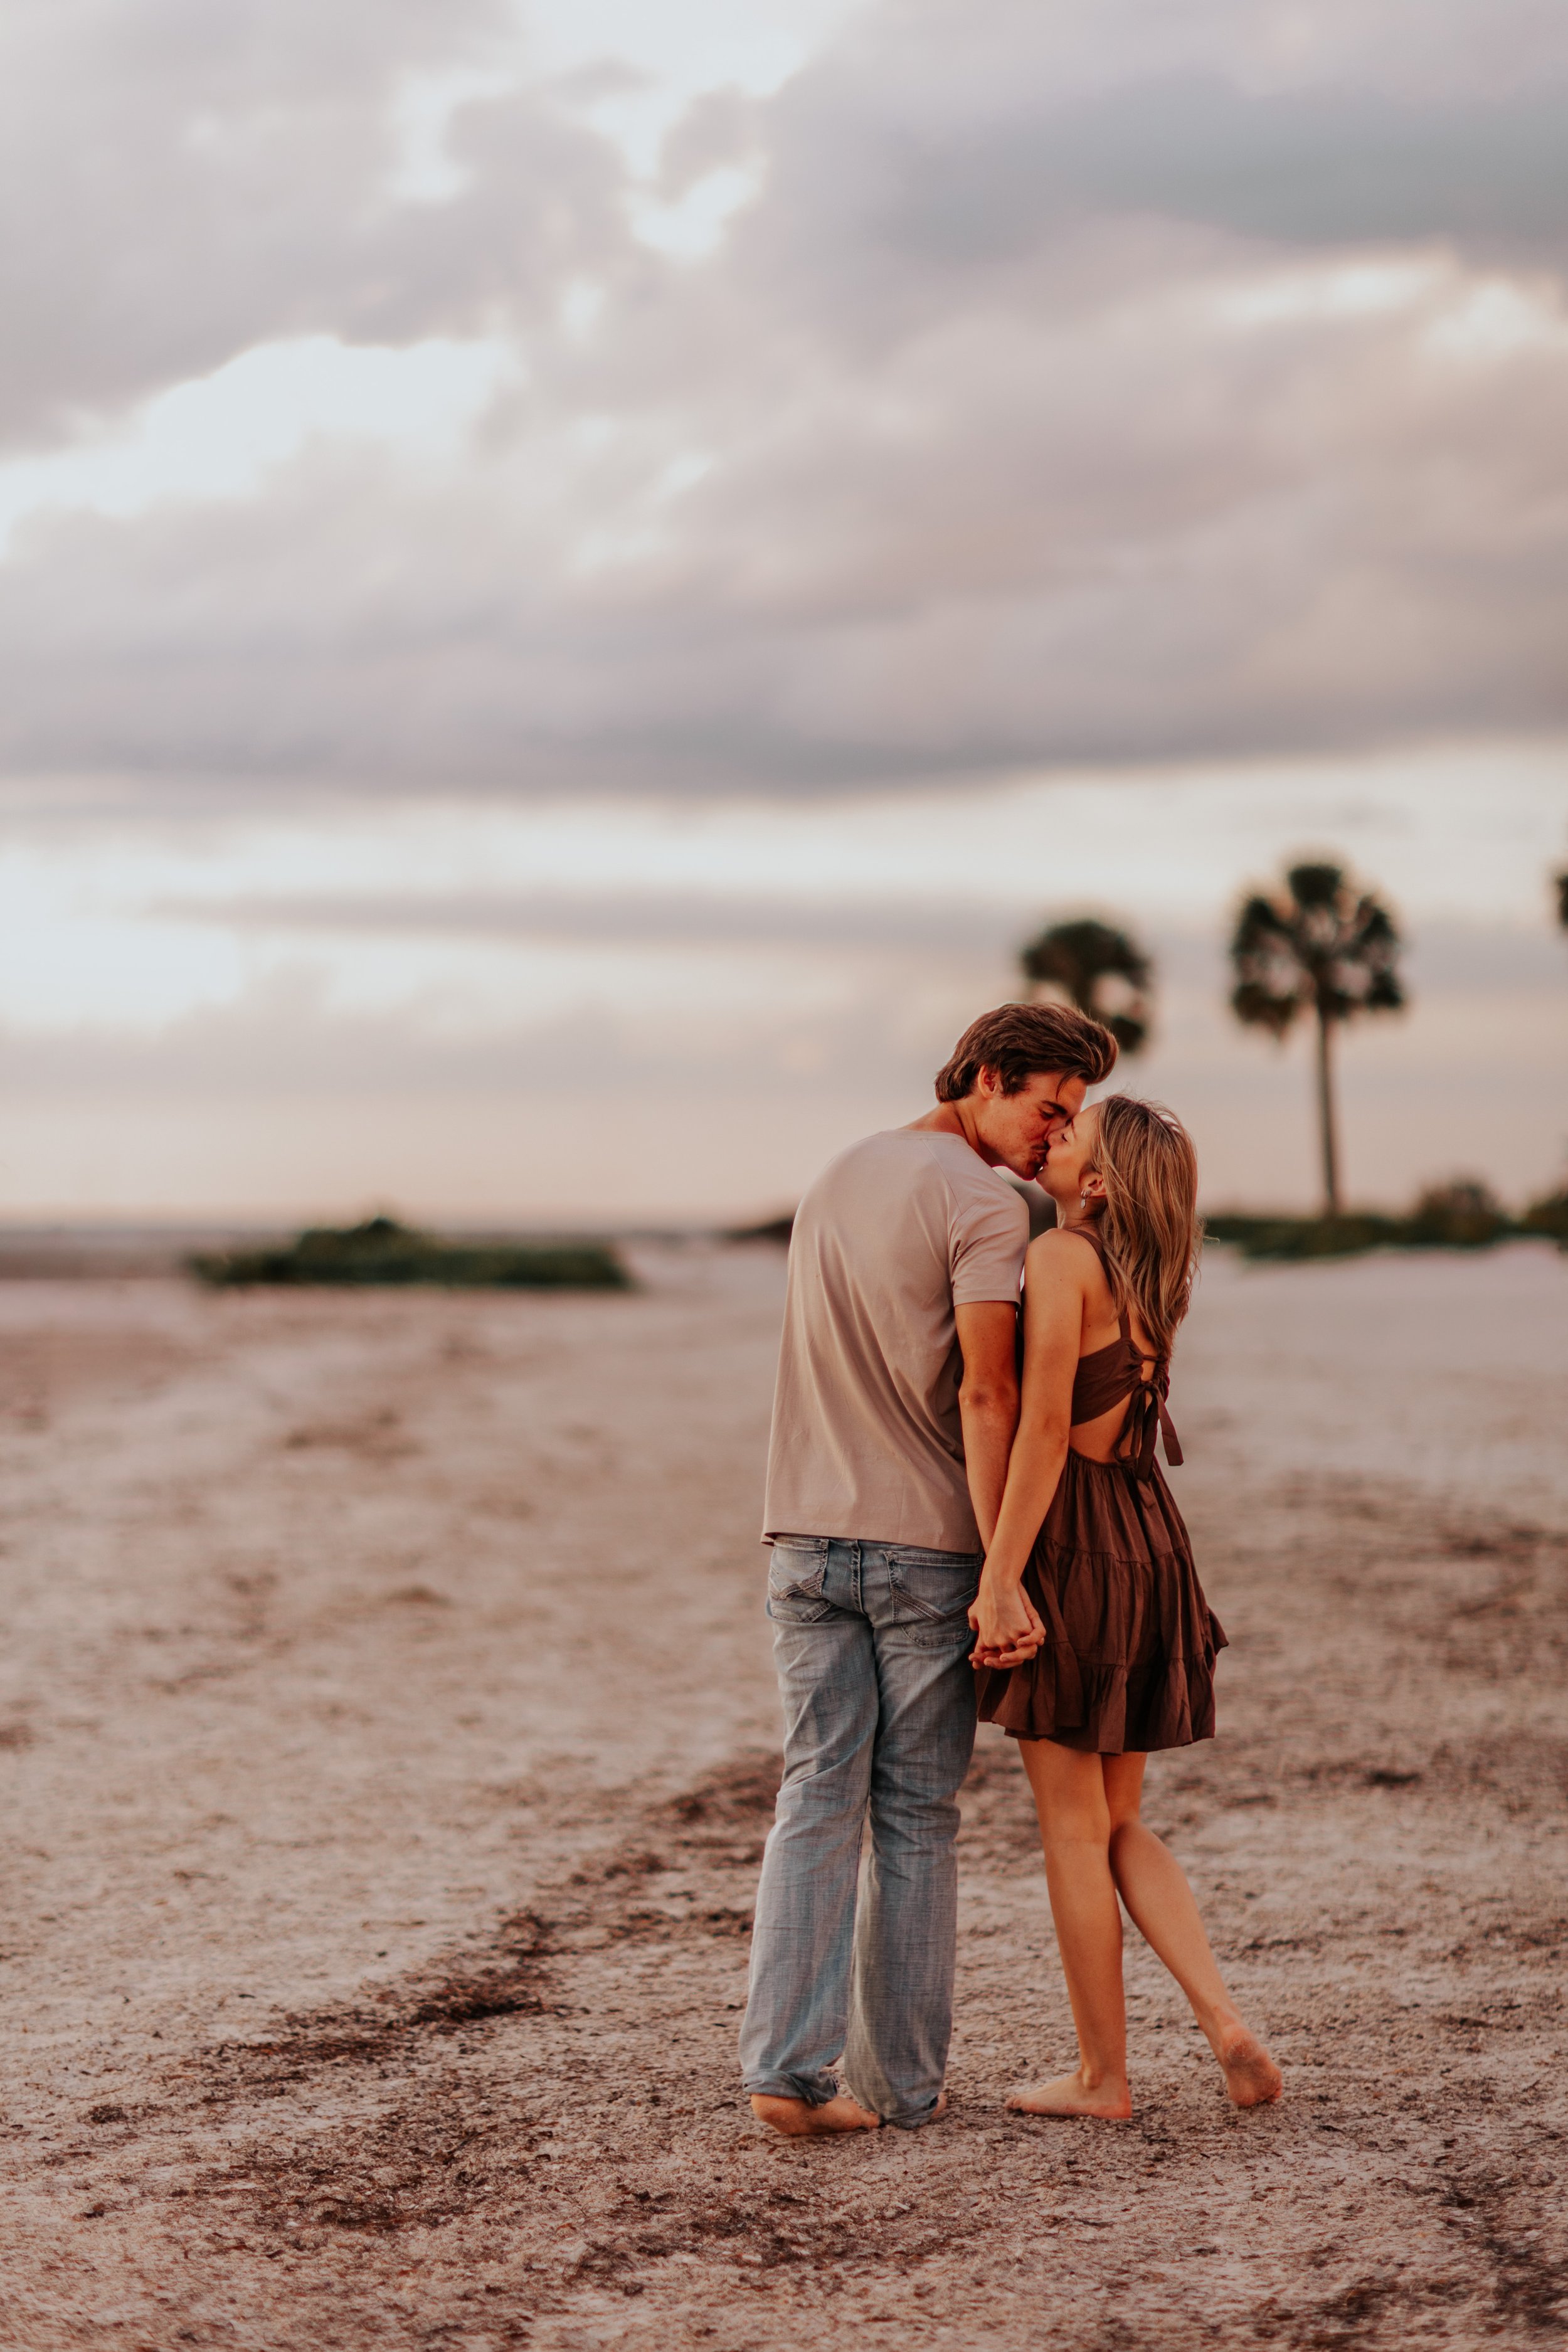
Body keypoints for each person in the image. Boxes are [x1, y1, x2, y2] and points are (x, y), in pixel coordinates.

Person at [740, 1002, 1118, 2136]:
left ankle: (785, 2076)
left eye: (1071, 1120)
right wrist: (1003, 1570)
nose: (1054, 1137)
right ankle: (899, 2087)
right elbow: (990, 1393)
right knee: (912, 1811)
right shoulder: (983, 1204)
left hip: (801, 1534)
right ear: (988, 1077)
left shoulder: (836, 1172)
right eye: (1047, 1108)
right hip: (927, 1547)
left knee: (813, 1796)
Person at [970, 1095, 1283, 2117]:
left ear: (1098, 1184)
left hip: (1076, 1540)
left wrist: (1002, 1571)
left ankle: (1104, 2076)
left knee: (1071, 1826)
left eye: (1074, 1135)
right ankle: (1225, 2022)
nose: (1053, 1134)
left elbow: (1045, 1425)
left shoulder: (1063, 1257)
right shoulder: (1156, 1277)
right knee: (1121, 1820)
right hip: (1149, 1535)